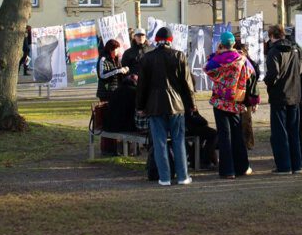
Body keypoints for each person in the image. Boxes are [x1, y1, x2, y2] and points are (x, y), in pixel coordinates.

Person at [136, 26, 196, 186]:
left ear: (156, 40)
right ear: (171, 40)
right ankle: (183, 176)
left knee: (159, 142)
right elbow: (187, 84)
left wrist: (140, 106)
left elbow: (142, 85)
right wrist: (191, 104)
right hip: (177, 105)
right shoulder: (179, 56)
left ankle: (164, 178)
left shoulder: (147, 58)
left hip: (154, 106)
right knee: (178, 140)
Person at [204, 31, 252, 179]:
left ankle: (227, 170)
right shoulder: (242, 58)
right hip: (236, 100)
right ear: (233, 43)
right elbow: (251, 71)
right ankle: (242, 167)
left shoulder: (217, 60)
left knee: (225, 136)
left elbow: (206, 67)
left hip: (220, 101)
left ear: (221, 43)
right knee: (237, 134)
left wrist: (217, 54)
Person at [264, 24, 302, 174]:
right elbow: (300, 69)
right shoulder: (295, 49)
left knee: (280, 132)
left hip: (279, 95)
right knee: (294, 131)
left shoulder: (274, 51)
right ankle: (297, 164)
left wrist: (268, 83)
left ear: (271, 36)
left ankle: (284, 166)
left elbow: (273, 73)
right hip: (295, 93)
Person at [97, 39, 129, 156]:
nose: (117, 51)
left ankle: (115, 148)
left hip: (115, 93)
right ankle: (106, 149)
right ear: (111, 49)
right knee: (105, 122)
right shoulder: (103, 59)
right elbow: (102, 75)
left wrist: (124, 71)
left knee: (114, 120)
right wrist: (118, 70)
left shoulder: (116, 59)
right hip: (105, 94)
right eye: (116, 49)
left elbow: (116, 73)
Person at [234, 41, 260, 151]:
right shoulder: (237, 63)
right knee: (242, 122)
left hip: (246, 98)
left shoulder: (251, 64)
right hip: (239, 97)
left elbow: (254, 85)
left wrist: (255, 101)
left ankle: (248, 143)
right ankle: (242, 142)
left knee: (246, 122)